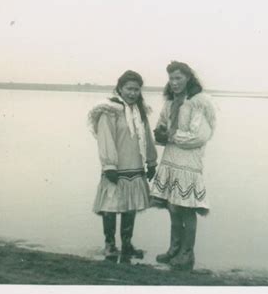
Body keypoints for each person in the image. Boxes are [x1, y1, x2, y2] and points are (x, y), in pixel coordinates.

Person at [150, 61, 216, 270]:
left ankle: (187, 254)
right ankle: (174, 249)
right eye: (171, 78)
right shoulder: (170, 103)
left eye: (178, 78)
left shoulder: (199, 102)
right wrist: (160, 132)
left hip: (188, 162)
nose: (174, 82)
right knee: (172, 206)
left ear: (189, 78)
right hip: (170, 159)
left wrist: (171, 135)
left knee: (186, 208)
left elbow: (199, 136)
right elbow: (162, 127)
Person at [88, 70, 157, 260]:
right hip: (116, 168)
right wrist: (109, 165)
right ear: (120, 88)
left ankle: (127, 245)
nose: (133, 93)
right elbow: (105, 138)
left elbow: (148, 137)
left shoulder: (140, 111)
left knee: (130, 206)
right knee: (110, 207)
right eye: (129, 89)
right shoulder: (109, 110)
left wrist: (151, 162)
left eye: (136, 89)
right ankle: (109, 245)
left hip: (135, 166)